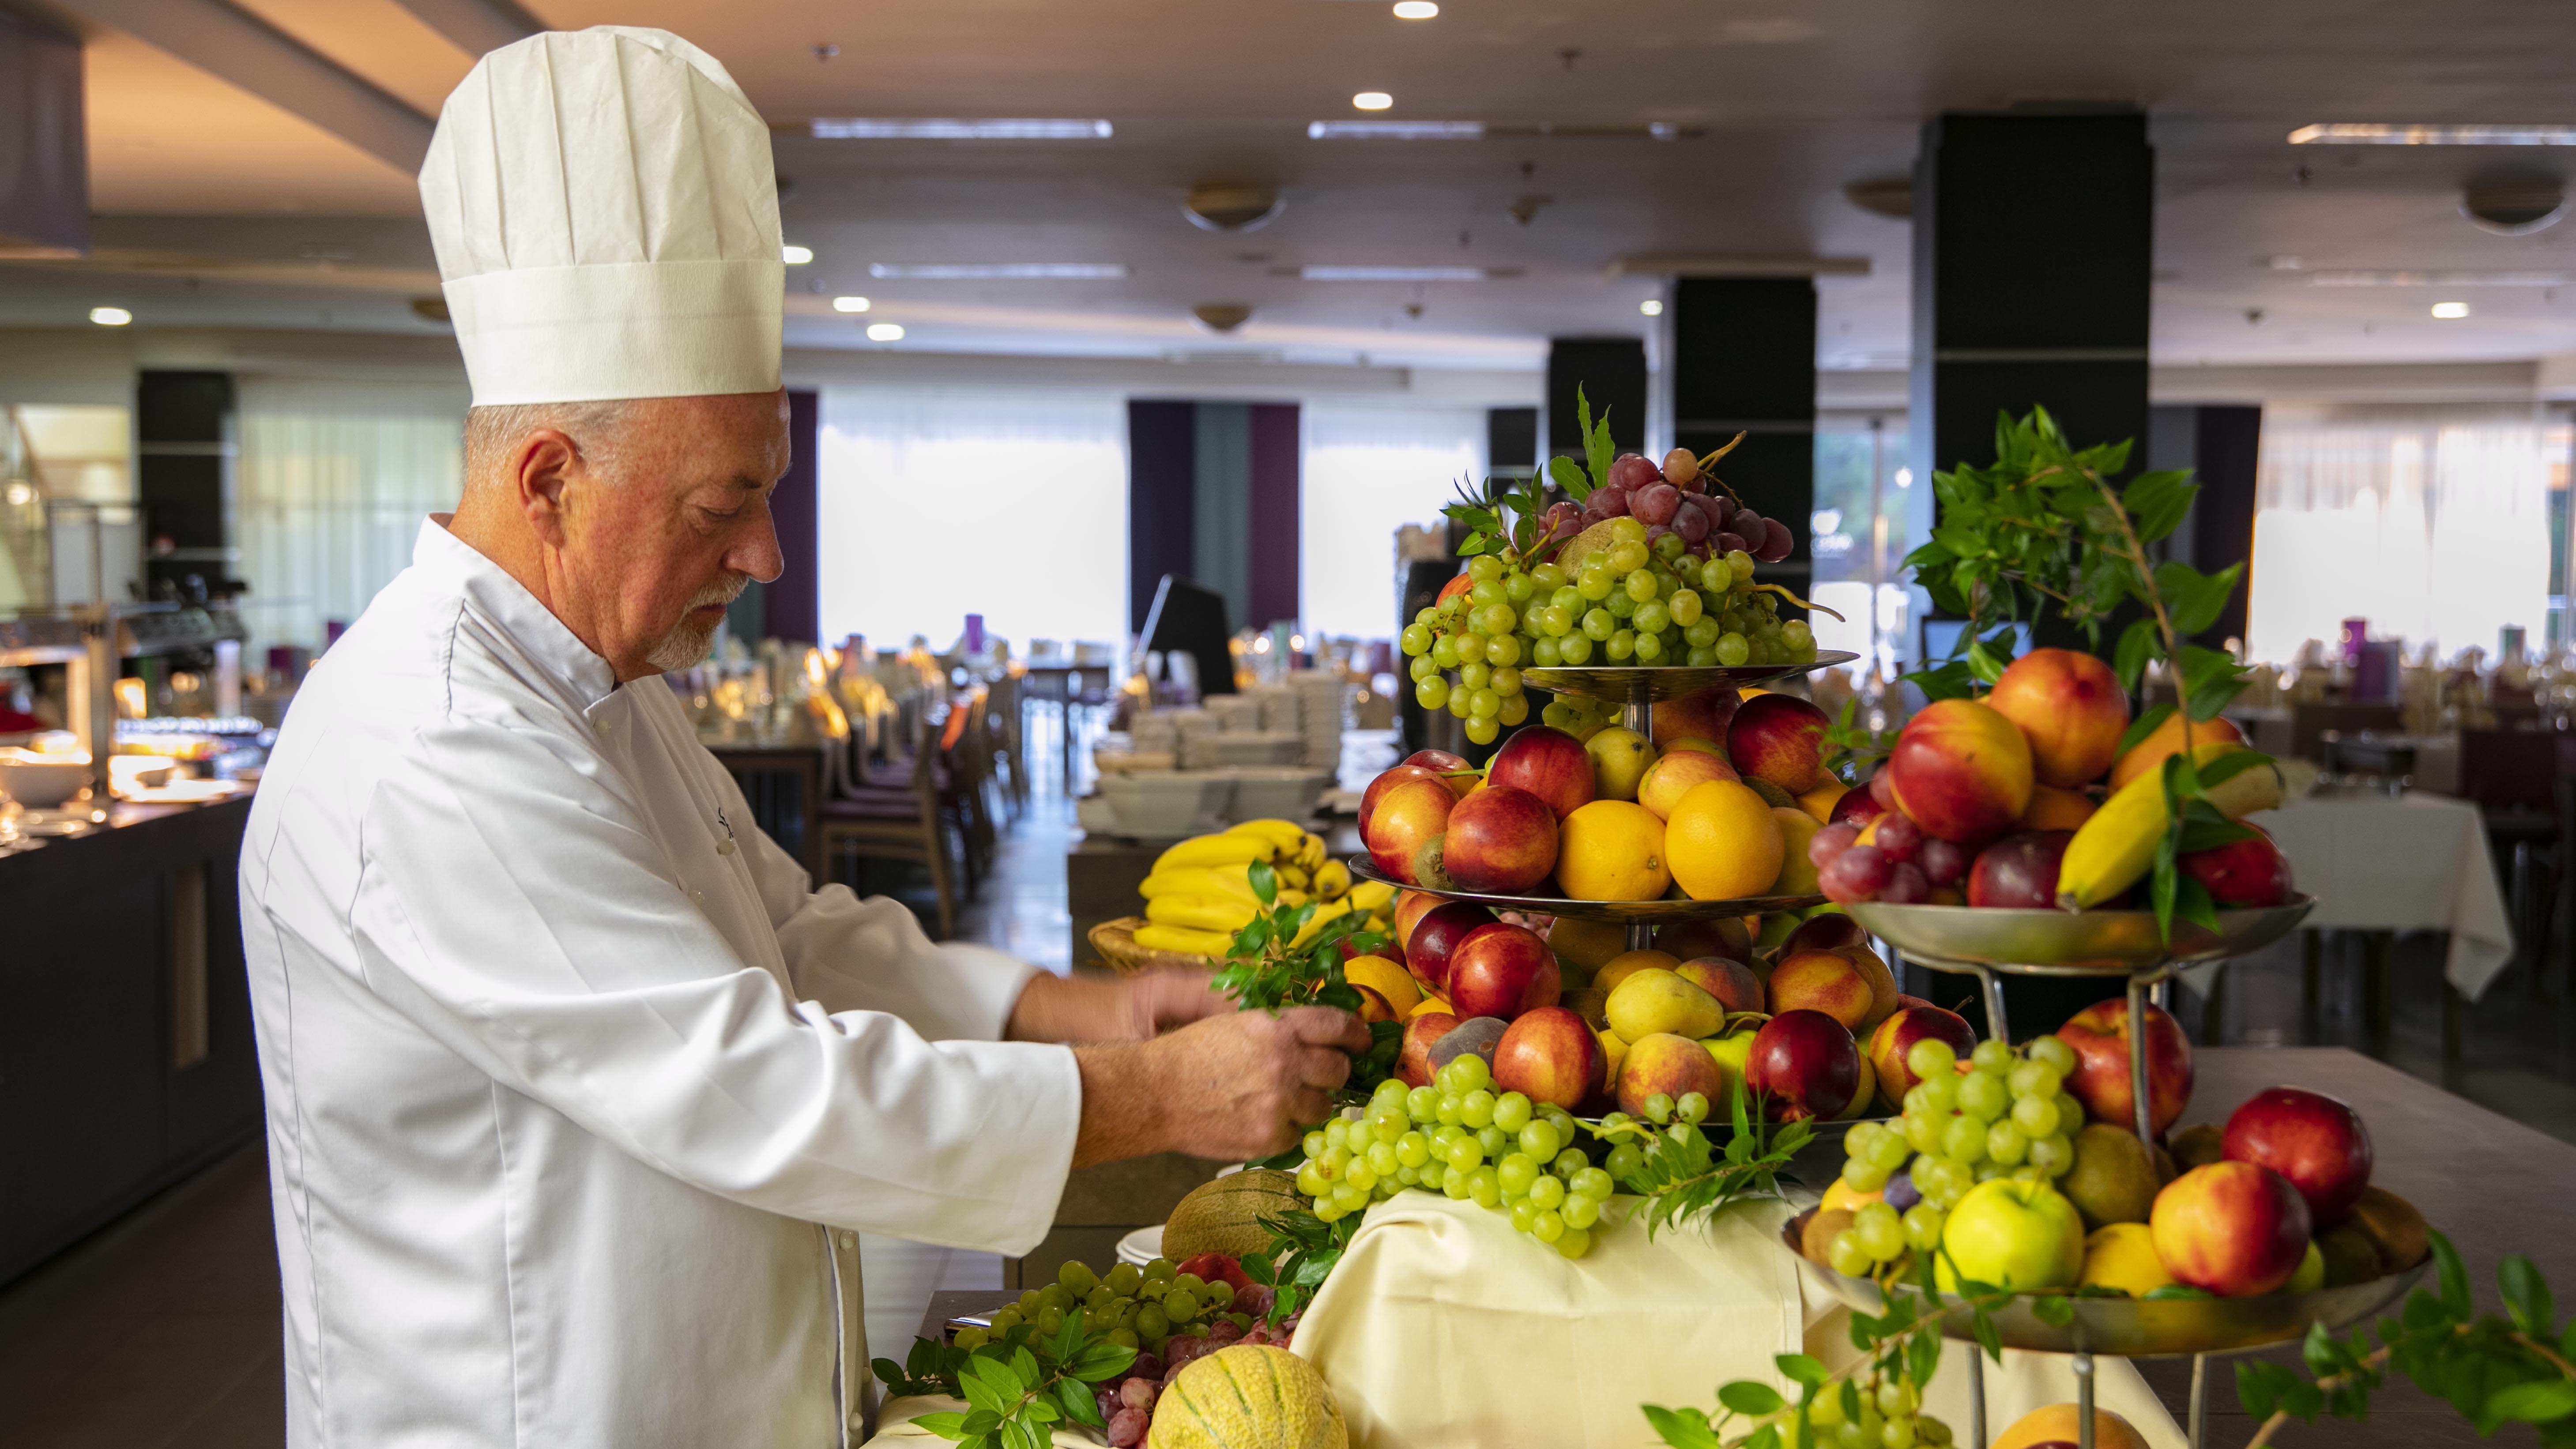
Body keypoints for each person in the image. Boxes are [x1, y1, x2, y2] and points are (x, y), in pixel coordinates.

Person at [237, 26, 1363, 1449]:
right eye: (724, 503)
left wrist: (1064, 1010)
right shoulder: (430, 744)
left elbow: (796, 937)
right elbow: (744, 1077)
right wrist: (1146, 1097)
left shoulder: (605, 689)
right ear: (550, 481)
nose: (768, 552)